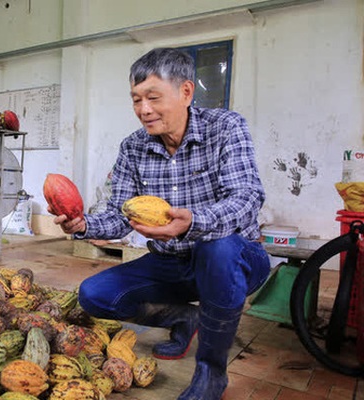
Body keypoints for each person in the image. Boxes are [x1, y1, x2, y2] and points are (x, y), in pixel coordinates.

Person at [52, 47, 271, 400]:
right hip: (170, 263)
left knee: (218, 246)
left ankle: (211, 372)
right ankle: (183, 318)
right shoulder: (133, 148)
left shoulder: (226, 128)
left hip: (235, 259)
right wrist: (81, 225)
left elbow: (247, 199)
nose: (143, 110)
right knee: (94, 295)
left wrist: (193, 222)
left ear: (186, 92)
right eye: (136, 99)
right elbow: (119, 216)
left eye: (153, 97)